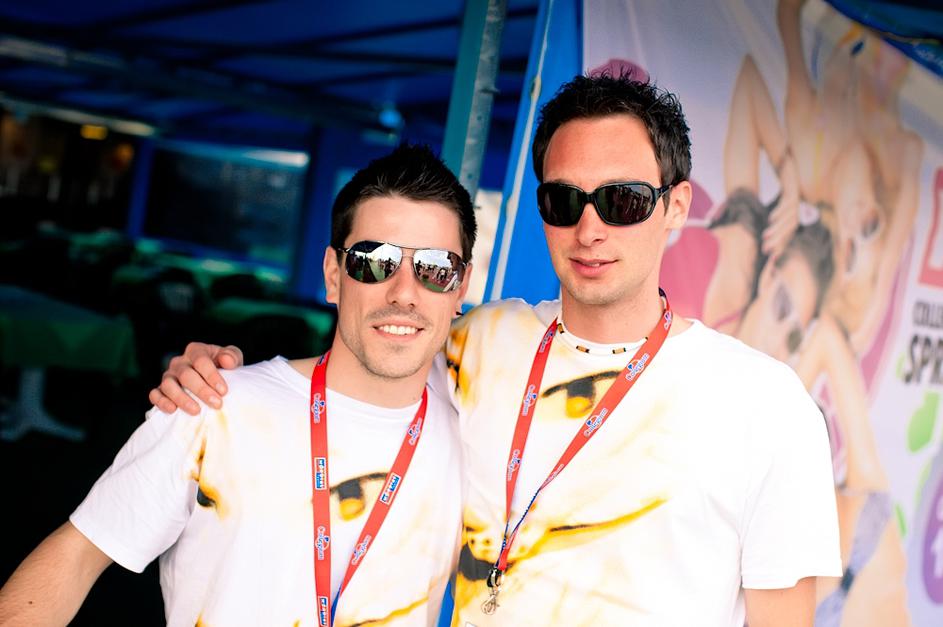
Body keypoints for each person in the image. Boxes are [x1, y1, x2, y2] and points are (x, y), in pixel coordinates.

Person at [147, 73, 841, 626]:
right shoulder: (478, 342)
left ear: (677, 206)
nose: (590, 229)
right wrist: (217, 373)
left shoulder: (765, 405)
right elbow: (361, 363)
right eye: (564, 201)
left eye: (623, 201)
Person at [0, 144, 476, 627]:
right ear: (334, 276)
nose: (403, 292)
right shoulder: (215, 404)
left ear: (460, 287)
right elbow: (79, 554)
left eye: (436, 268)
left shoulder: (478, 438)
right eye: (374, 261)